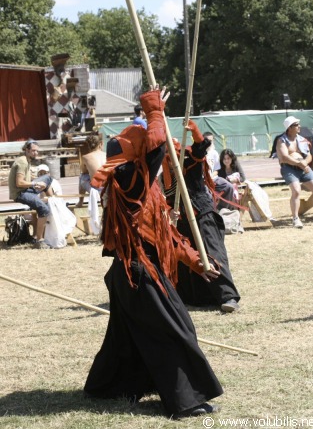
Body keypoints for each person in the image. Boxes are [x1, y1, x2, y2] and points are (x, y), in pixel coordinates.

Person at [84, 86, 223, 419]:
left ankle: (110, 386)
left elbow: (165, 238)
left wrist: (196, 262)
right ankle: (185, 400)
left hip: (133, 274)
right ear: (134, 155)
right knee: (174, 331)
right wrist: (154, 109)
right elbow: (157, 146)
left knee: (127, 338)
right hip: (137, 275)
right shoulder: (129, 180)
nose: (156, 154)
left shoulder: (146, 188)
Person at [162, 121, 241, 312]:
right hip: (181, 217)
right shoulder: (164, 168)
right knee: (184, 258)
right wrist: (169, 210)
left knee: (212, 253)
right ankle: (195, 297)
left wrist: (196, 132)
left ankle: (228, 297)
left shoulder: (188, 158)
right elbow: (165, 196)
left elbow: (201, 147)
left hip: (202, 212)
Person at [8, 139, 53, 248]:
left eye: (37, 151)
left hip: (25, 189)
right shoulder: (22, 162)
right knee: (44, 209)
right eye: (33, 151)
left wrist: (39, 184)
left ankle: (53, 200)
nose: (36, 153)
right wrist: (34, 184)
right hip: (20, 193)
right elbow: (19, 183)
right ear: (27, 150)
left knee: (47, 178)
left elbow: (26, 180)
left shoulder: (26, 160)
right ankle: (39, 240)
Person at [276, 116, 313, 228]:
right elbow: (284, 157)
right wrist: (300, 163)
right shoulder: (281, 140)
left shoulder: (302, 139)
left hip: (303, 168)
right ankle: (295, 219)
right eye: (296, 125)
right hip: (289, 168)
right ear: (289, 128)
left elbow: (309, 155)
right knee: (296, 190)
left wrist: (305, 163)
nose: (299, 126)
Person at [203, 131, 235, 210]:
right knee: (208, 195)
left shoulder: (214, 153)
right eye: (207, 140)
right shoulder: (200, 153)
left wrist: (211, 176)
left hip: (214, 179)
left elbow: (217, 170)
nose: (209, 142)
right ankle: (210, 213)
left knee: (229, 187)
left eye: (211, 140)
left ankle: (223, 210)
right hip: (203, 181)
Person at [76, 132, 106, 208]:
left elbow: (84, 171)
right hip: (108, 187)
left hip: (97, 189)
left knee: (82, 176)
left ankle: (80, 201)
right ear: (101, 143)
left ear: (88, 145)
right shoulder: (106, 154)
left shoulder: (86, 157)